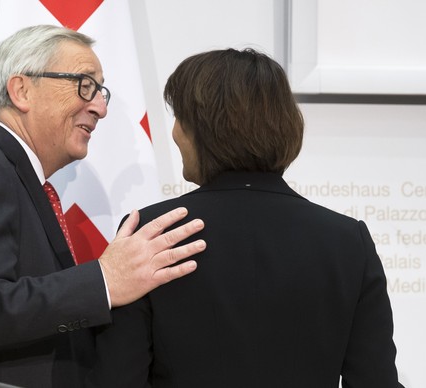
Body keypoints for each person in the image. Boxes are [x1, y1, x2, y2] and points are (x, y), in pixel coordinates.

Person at [0, 25, 206, 388]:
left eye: (101, 91)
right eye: (84, 84)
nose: (100, 107)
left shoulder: (9, 172)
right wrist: (103, 280)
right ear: (21, 90)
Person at [87, 48, 404, 387]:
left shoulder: (151, 234)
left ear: (204, 127)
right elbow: (375, 380)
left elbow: (118, 378)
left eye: (179, 116)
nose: (175, 133)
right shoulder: (347, 241)